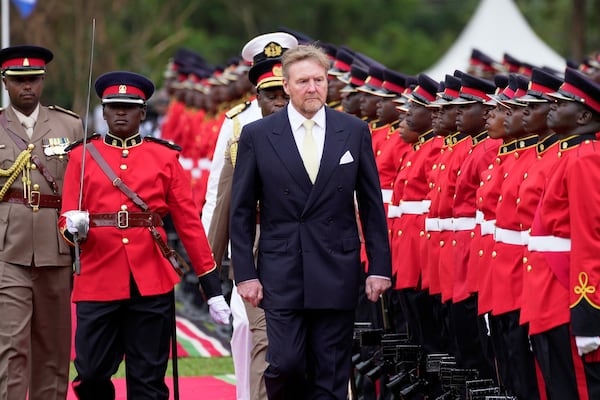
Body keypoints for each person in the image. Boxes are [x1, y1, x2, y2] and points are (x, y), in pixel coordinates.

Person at [230, 44, 392, 400]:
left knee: (331, 369)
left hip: (335, 265)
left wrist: (379, 266)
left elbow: (370, 203)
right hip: (280, 268)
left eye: (319, 80)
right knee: (285, 363)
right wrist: (244, 273)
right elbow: (240, 210)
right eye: (303, 81)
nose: (312, 88)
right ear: (286, 85)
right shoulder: (258, 135)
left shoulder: (352, 131)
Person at [58, 71, 231, 399]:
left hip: (150, 277)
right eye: (113, 106)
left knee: (148, 377)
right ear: (104, 112)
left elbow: (189, 227)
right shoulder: (81, 156)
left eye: (128, 106)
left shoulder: (165, 157)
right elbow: (66, 216)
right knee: (92, 373)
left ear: (142, 112)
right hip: (97, 276)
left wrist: (213, 288)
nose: (120, 112)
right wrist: (72, 227)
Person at [207, 31, 298, 400]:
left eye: (283, 92)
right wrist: (209, 267)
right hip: (257, 242)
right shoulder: (236, 125)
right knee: (254, 333)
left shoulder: (322, 125)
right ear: (256, 93)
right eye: (269, 94)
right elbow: (220, 195)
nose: (278, 102)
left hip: (307, 247)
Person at [0, 45, 84, 400]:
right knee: (11, 346)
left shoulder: (70, 124)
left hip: (56, 247)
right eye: (19, 81)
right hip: (8, 249)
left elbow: (83, 185)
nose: (28, 87)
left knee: (53, 348)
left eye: (33, 79)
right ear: (6, 83)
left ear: (43, 81)